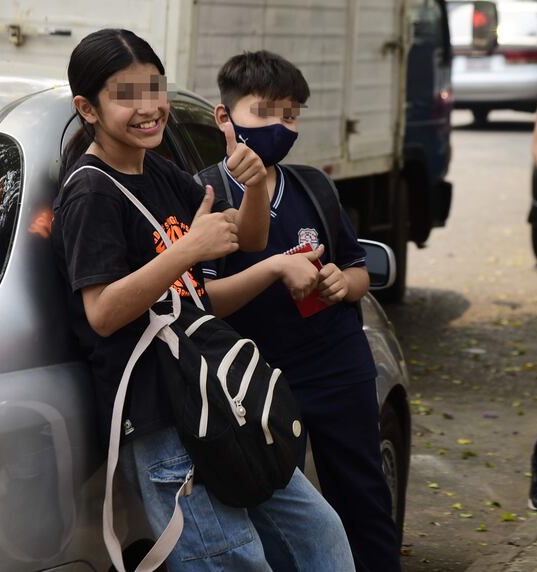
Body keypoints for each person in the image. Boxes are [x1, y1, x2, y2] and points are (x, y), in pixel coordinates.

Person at [51, 29, 354, 571]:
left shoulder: (157, 170)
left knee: (320, 535)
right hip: (162, 416)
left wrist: (254, 185)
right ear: (88, 108)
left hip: (215, 398)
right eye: (126, 95)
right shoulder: (91, 192)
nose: (149, 107)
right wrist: (188, 248)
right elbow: (102, 312)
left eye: (155, 88)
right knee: (236, 561)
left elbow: (249, 237)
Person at [200, 50, 401, 572]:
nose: (279, 126)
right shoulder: (203, 194)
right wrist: (273, 271)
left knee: (363, 499)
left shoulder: (314, 186)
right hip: (253, 379)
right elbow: (204, 300)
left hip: (337, 364)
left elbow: (358, 272)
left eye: (290, 115)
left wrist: (340, 282)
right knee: (280, 512)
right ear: (224, 116)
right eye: (264, 111)